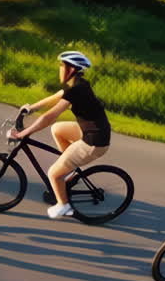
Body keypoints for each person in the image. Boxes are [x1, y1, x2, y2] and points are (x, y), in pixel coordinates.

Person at [8, 51, 111, 219]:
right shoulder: (76, 84)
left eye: (63, 66)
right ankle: (69, 170)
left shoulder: (76, 89)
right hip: (94, 130)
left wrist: (24, 133)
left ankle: (64, 206)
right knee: (58, 129)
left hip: (93, 142)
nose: (60, 68)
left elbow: (49, 116)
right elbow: (54, 98)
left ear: (72, 69)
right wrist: (31, 108)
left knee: (53, 174)